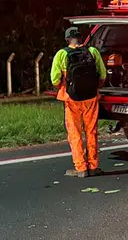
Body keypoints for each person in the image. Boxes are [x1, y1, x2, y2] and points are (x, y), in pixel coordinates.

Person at [51, 27, 107, 178]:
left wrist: (63, 87)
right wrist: (95, 87)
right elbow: (102, 75)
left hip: (71, 99)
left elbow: (55, 79)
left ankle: (81, 168)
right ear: (81, 38)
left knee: (75, 133)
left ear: (67, 39)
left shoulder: (61, 54)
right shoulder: (93, 52)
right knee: (91, 131)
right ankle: (93, 166)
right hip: (91, 98)